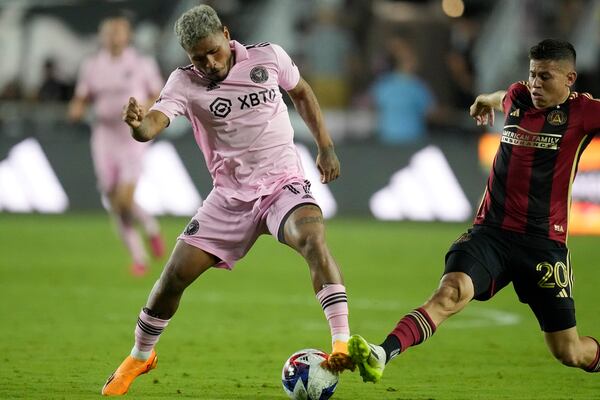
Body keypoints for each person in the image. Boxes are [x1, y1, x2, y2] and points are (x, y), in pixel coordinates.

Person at [101, 5, 354, 396]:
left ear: (225, 33)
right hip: (229, 197)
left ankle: (340, 343)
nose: (209, 62)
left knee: (312, 239)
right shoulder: (184, 82)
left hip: (281, 184)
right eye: (197, 58)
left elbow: (301, 92)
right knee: (173, 277)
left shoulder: (269, 56)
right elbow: (154, 122)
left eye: (213, 51)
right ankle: (140, 355)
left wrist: (325, 146)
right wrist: (138, 125)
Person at [348, 39, 600, 383]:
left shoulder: (585, 112)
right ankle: (382, 352)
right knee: (450, 291)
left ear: (570, 78)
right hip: (491, 233)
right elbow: (504, 96)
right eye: (532, 75)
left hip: (542, 244)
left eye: (546, 77)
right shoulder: (519, 95)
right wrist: (485, 99)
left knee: (568, 351)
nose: (536, 85)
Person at [68, 16, 165, 276]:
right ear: (103, 37)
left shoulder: (141, 63)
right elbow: (82, 94)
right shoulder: (92, 65)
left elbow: (158, 92)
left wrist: (144, 107)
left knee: (124, 198)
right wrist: (76, 108)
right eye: (109, 33)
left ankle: (151, 229)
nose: (113, 37)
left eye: (118, 32)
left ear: (127, 35)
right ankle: (139, 257)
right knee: (113, 199)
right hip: (104, 134)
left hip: (132, 134)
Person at [371, 36, 435, 145]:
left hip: (387, 139)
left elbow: (372, 107)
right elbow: (431, 112)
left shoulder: (382, 85)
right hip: (413, 140)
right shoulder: (418, 86)